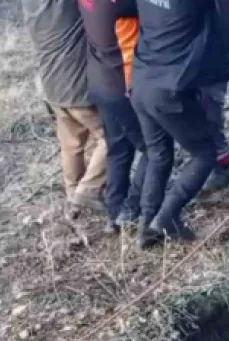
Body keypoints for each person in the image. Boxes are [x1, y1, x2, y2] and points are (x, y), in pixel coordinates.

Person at [130, 0, 229, 249]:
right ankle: (167, 217)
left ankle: (146, 226)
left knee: (158, 154)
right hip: (169, 87)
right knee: (205, 154)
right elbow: (228, 24)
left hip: (141, 81)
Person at [23, 0, 108, 215]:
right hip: (75, 85)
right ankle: (87, 190)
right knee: (114, 136)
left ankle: (72, 195)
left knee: (71, 144)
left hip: (52, 85)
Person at [80, 0, 147, 232]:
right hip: (122, 84)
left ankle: (114, 211)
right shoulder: (126, 5)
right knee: (153, 148)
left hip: (100, 80)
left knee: (118, 148)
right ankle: (132, 206)